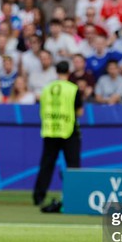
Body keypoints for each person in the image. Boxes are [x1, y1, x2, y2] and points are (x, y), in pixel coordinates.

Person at [32, 61, 83, 208]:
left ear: (56, 71)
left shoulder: (47, 89)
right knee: (73, 165)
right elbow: (79, 111)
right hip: (68, 130)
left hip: (50, 130)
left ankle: (38, 197)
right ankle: (75, 196)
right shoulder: (73, 89)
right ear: (69, 71)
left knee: (46, 165)